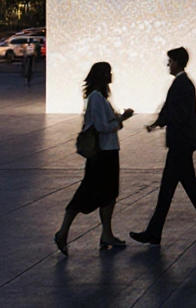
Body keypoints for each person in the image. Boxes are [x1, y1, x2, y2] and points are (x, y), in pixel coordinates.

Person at [130, 47, 196, 250]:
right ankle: (154, 232)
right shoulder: (184, 83)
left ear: (177, 62)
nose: (168, 64)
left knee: (186, 188)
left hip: (179, 145)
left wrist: (161, 122)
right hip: (182, 143)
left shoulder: (181, 84)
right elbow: (188, 112)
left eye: (170, 61)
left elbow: (179, 112)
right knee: (171, 188)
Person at [55, 62, 134, 255]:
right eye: (108, 72)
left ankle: (107, 233)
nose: (111, 75)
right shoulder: (97, 98)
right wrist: (120, 120)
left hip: (106, 152)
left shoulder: (98, 98)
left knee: (107, 194)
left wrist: (119, 119)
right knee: (89, 192)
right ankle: (64, 231)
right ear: (101, 76)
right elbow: (102, 127)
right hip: (103, 153)